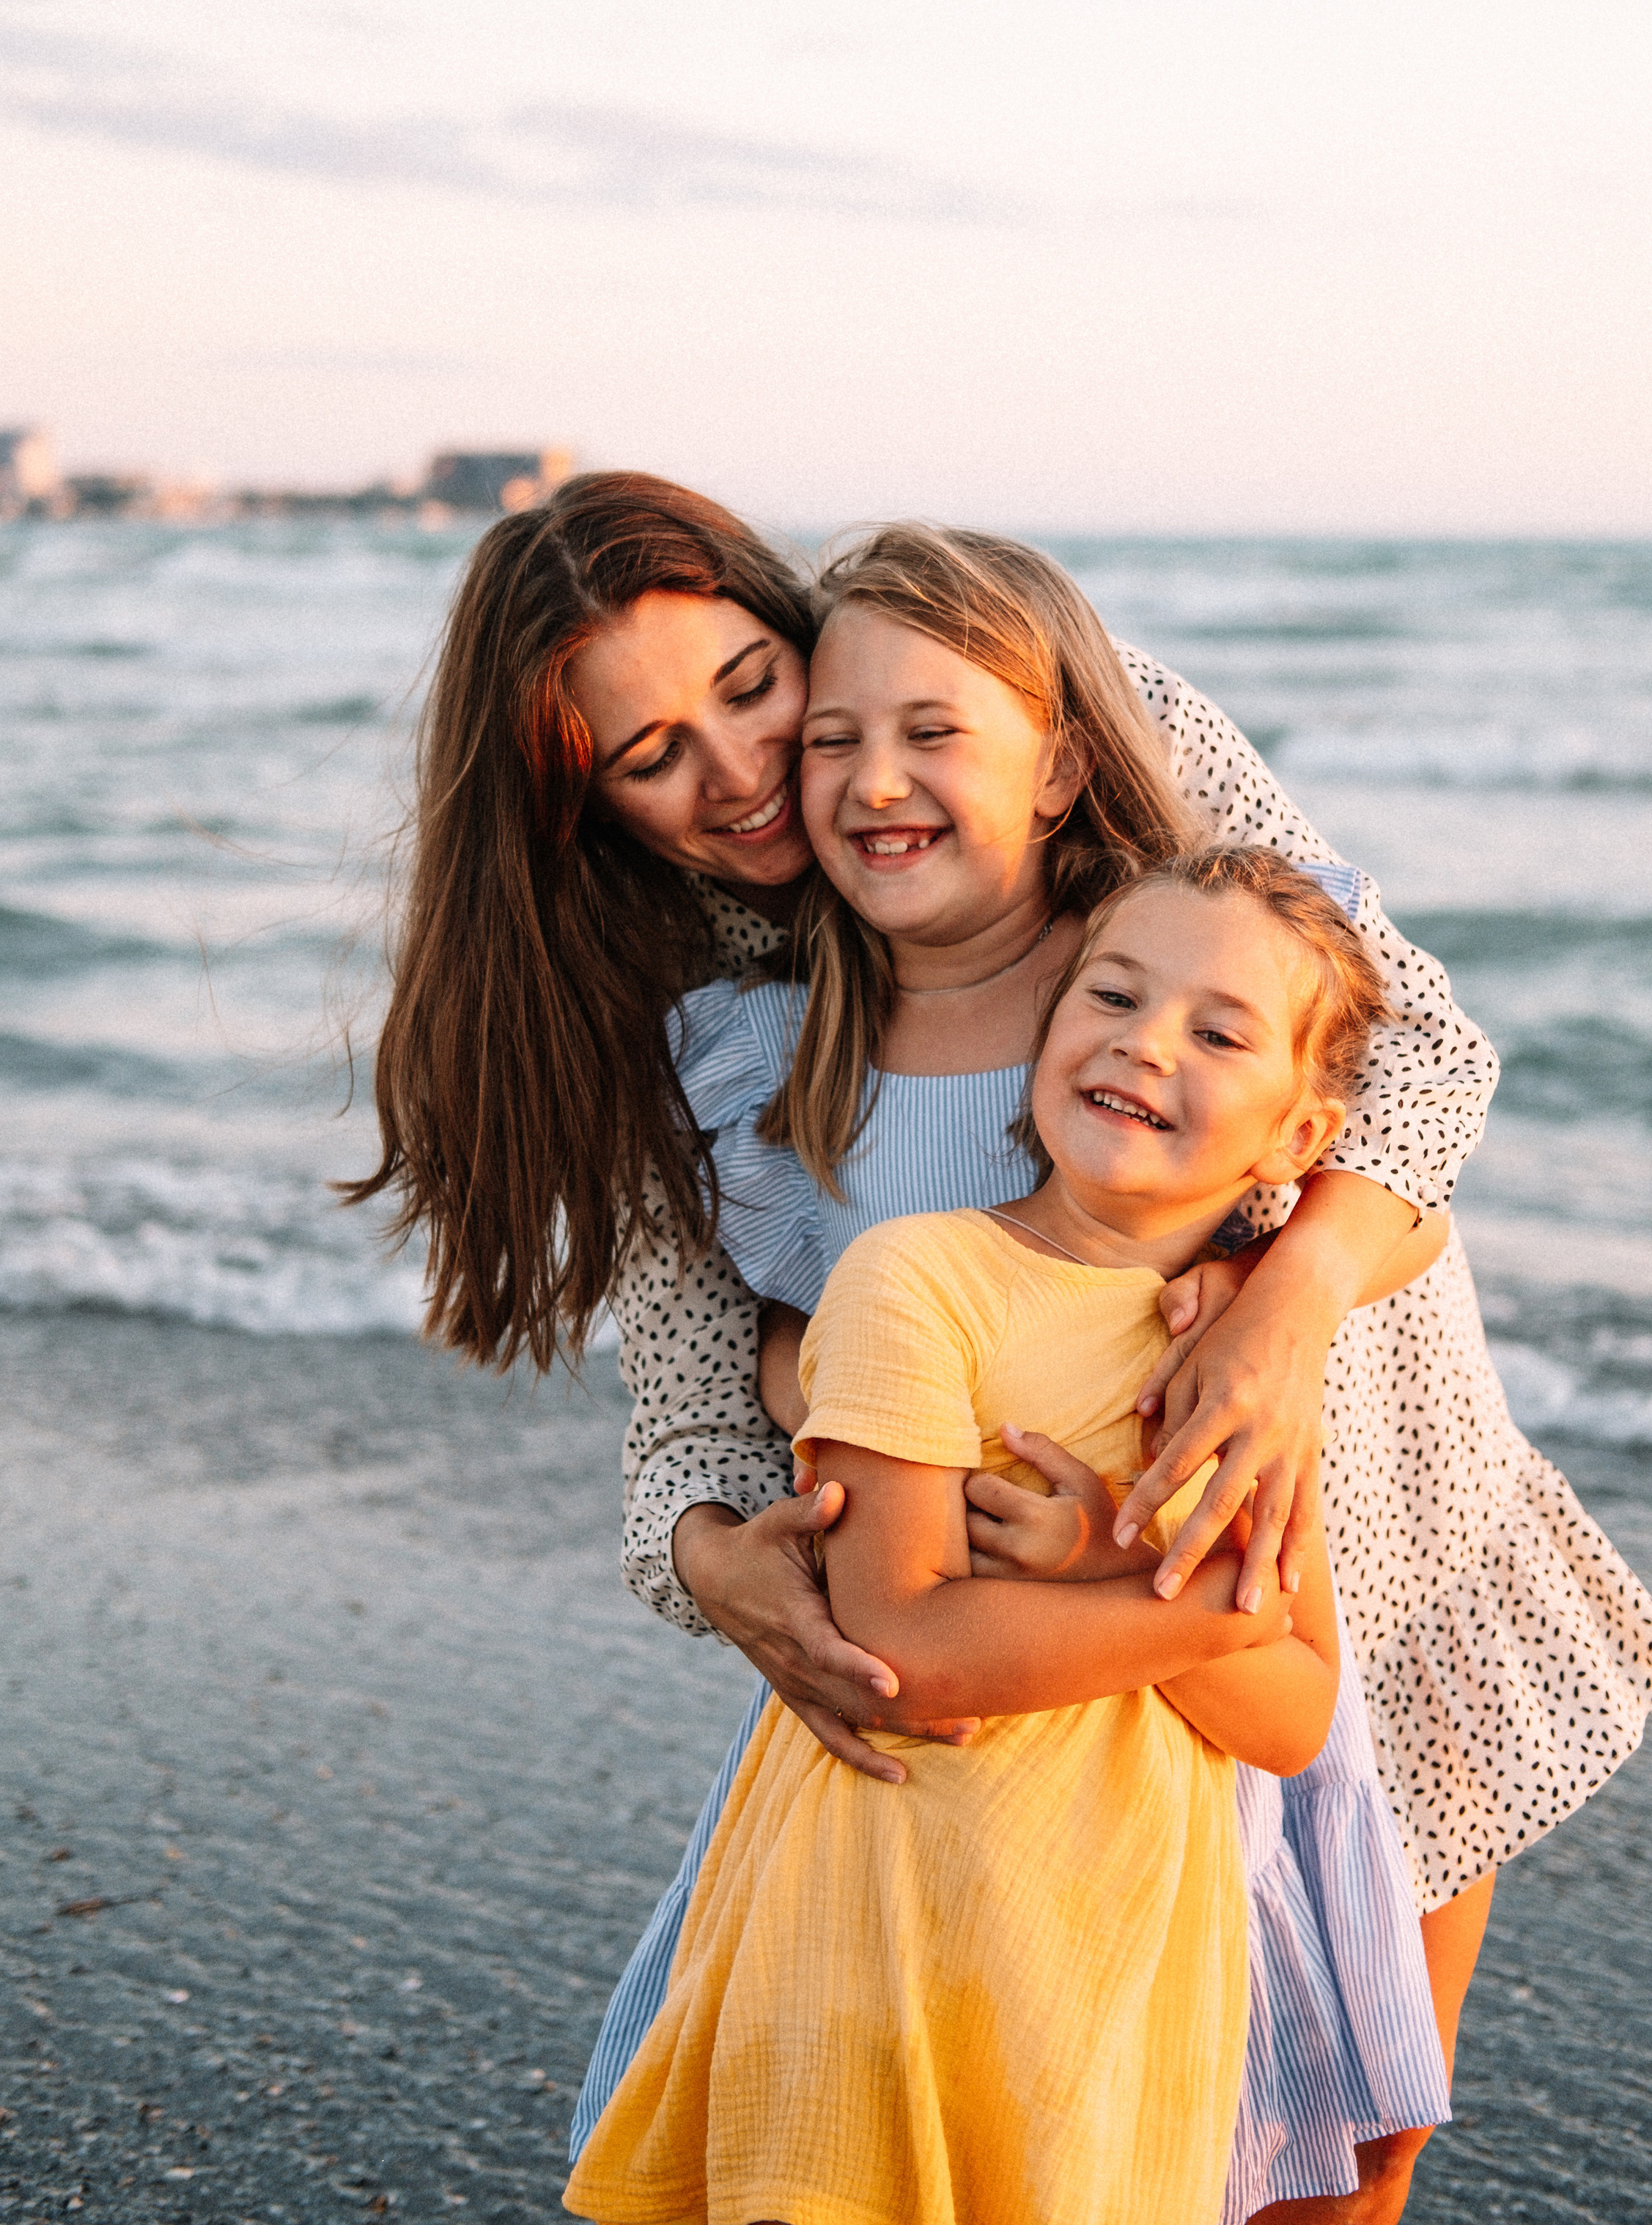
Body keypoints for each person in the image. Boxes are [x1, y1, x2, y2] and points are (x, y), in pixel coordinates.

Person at [569, 529, 1454, 2215]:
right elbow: (778, 1457)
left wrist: (1281, 1307)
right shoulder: (770, 1067)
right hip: (949, 1818)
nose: (775, 768)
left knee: (1331, 2152)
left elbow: (1294, 1706)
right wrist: (753, 1451)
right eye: (654, 747)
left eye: (756, 696)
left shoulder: (1222, 1297)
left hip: (1206, 1767)